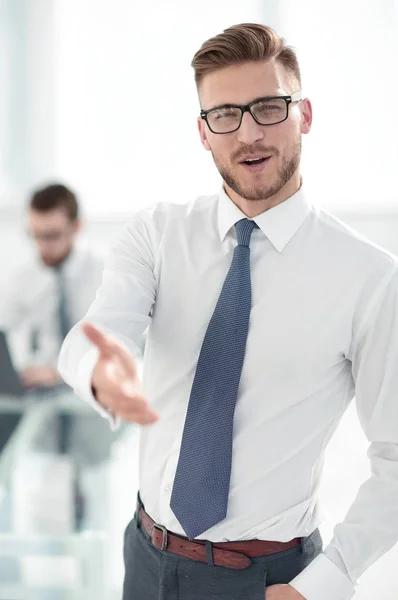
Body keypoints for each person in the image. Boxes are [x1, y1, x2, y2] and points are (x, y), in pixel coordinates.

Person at [58, 23, 398, 600]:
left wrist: (326, 582)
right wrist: (102, 368)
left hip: (269, 580)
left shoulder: (369, 277)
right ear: (203, 132)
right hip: (146, 557)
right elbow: (99, 330)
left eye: (268, 108)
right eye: (224, 115)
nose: (248, 133)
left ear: (305, 115)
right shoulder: (157, 234)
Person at [0, 183, 113, 528]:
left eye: (51, 235)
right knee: (43, 521)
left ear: (76, 228)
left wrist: (61, 372)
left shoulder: (105, 274)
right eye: (34, 235)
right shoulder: (22, 279)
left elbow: (119, 348)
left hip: (92, 416)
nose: (42, 246)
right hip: (43, 422)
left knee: (97, 524)